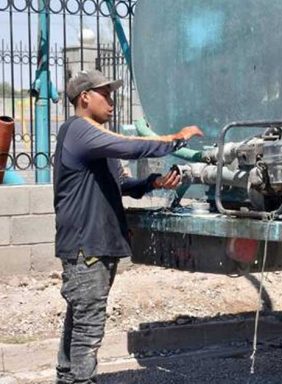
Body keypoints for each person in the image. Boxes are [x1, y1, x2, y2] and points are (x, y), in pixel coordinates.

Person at [54, 69, 203, 384]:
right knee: (89, 324)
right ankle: (80, 380)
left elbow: (122, 183)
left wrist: (153, 182)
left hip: (98, 244)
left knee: (80, 319)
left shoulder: (98, 145)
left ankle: (67, 378)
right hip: (86, 246)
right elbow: (133, 146)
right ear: (84, 98)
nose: (112, 101)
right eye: (105, 94)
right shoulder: (79, 130)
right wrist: (175, 139)